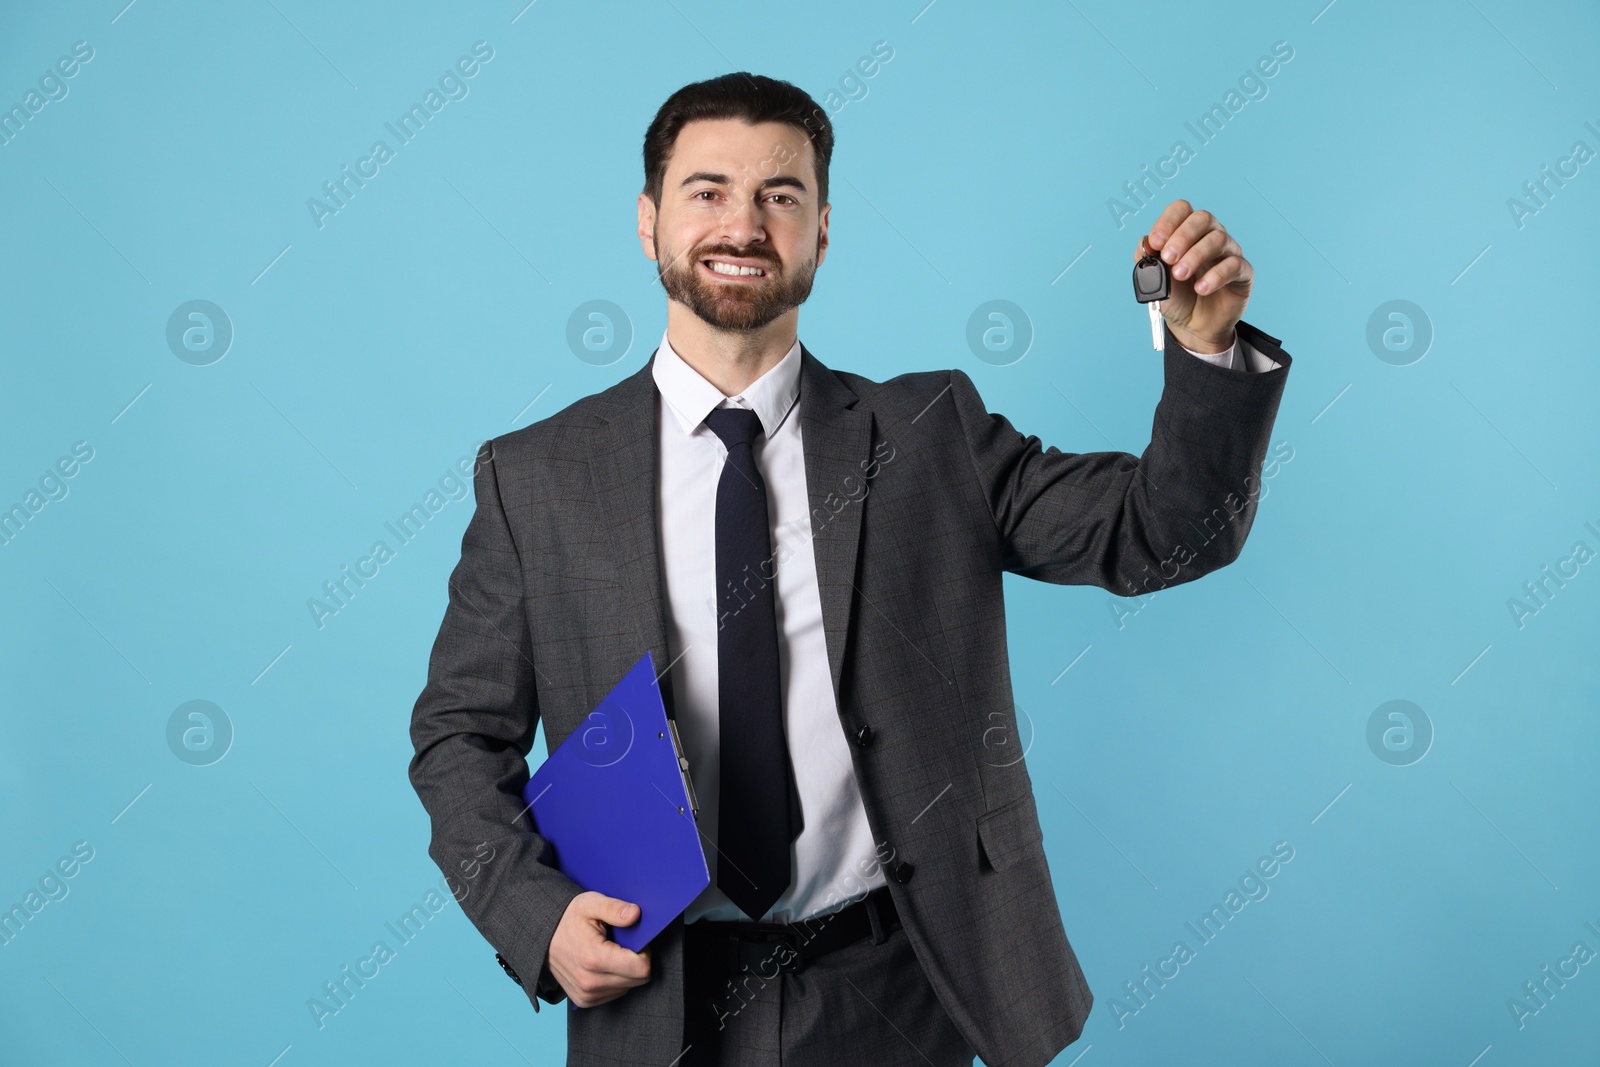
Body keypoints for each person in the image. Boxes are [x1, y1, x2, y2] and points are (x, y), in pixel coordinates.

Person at [408, 72, 1290, 1067]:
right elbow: (457, 736)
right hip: (657, 994)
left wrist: (1205, 350)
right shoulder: (535, 476)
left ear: (821, 230)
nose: (742, 224)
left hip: (897, 989)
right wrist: (536, 915)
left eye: (778, 196)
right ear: (648, 222)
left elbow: (1165, 533)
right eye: (707, 191)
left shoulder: (931, 433)